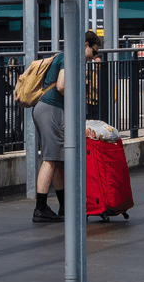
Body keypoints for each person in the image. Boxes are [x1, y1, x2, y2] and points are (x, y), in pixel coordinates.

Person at [31, 30, 102, 223]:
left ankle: (64, 207)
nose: (94, 57)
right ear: (86, 45)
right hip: (51, 108)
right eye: (94, 52)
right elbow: (61, 86)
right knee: (50, 159)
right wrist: (80, 87)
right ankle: (40, 208)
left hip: (48, 109)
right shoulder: (69, 57)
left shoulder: (67, 57)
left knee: (57, 159)